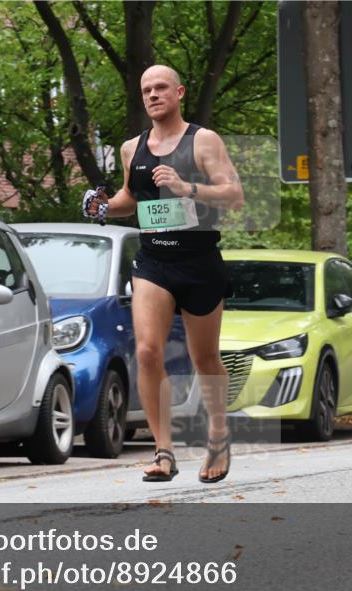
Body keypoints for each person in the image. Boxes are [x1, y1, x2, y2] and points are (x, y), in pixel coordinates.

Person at [82, 65, 244, 482]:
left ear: (179, 93)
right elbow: (130, 199)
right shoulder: (131, 148)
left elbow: (234, 195)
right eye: (146, 90)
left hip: (199, 261)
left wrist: (187, 187)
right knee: (148, 351)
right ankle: (163, 451)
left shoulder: (202, 140)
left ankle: (219, 436)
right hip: (154, 261)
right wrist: (102, 207)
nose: (153, 95)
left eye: (161, 88)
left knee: (204, 356)